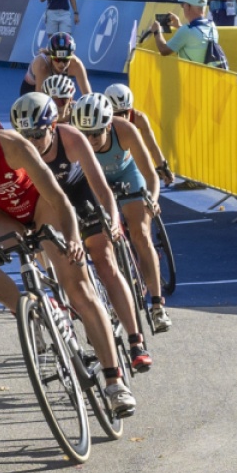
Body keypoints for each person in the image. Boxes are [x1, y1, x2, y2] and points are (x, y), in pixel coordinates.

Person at [0, 93, 137, 415]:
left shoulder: (13, 145)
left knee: (79, 289)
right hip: (4, 215)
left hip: (43, 206)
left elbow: (59, 198)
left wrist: (73, 238)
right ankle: (36, 312)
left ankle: (115, 382)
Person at [11, 93, 151, 371]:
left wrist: (112, 221)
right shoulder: (16, 149)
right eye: (26, 136)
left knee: (104, 259)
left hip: (79, 194)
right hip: (47, 204)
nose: (32, 143)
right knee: (56, 268)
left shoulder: (72, 139)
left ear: (52, 127)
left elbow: (101, 187)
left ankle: (136, 340)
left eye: (38, 135)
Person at [71, 93, 172, 333]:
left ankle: (157, 305)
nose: (90, 140)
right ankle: (113, 293)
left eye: (96, 133)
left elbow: (150, 175)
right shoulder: (73, 138)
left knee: (141, 232)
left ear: (108, 126)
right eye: (85, 134)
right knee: (100, 239)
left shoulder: (125, 130)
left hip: (127, 173)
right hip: (96, 180)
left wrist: (152, 199)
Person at [104, 84, 173, 185]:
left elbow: (152, 146)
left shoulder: (139, 118)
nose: (123, 117)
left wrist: (162, 166)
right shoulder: (102, 121)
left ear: (131, 109)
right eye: (117, 114)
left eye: (126, 112)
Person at [148, 0, 221, 65]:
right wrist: (179, 26)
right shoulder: (212, 26)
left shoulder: (186, 30)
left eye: (183, 4)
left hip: (191, 72)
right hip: (208, 72)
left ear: (189, 6)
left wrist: (157, 31)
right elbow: (195, 39)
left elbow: (164, 50)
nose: (182, 7)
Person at [22, 32, 92, 95]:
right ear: (50, 56)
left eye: (65, 59)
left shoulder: (76, 64)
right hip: (31, 90)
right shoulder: (42, 65)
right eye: (57, 59)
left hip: (56, 88)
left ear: (71, 56)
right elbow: (39, 100)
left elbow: (88, 95)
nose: (61, 64)